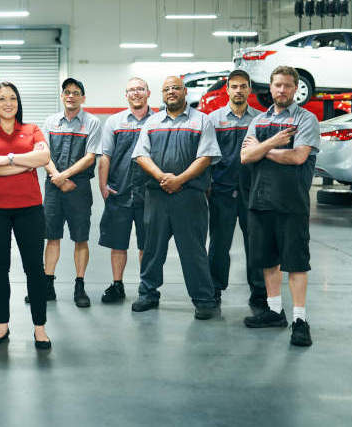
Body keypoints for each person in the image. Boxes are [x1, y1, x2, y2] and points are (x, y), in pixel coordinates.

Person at [130, 76, 222, 320]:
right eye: (167, 89)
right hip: (157, 196)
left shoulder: (201, 120)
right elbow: (141, 155)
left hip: (190, 197)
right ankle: (148, 294)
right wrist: (162, 177)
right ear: (162, 94)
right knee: (152, 249)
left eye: (176, 88)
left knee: (193, 250)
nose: (171, 92)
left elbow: (206, 157)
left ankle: (204, 299)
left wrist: (179, 180)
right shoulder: (152, 122)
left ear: (185, 92)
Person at [240, 66, 319, 347]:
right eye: (277, 85)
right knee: (268, 260)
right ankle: (275, 312)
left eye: (287, 85)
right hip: (261, 201)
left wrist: (262, 149)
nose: (282, 90)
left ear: (296, 88)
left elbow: (298, 157)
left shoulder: (306, 119)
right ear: (270, 88)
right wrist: (274, 143)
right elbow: (245, 157)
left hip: (292, 203)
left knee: (296, 263)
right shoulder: (259, 120)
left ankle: (299, 320)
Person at [0, 82, 52, 349]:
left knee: (35, 268)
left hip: (29, 208)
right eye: (2, 99)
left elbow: (44, 158)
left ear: (18, 103)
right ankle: (2, 326)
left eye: (13, 98)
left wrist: (6, 159)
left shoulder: (32, 129)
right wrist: (26, 162)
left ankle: (39, 328)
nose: (8, 103)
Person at [36, 77, 102, 308]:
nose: (71, 96)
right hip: (54, 187)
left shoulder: (92, 123)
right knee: (51, 236)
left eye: (76, 92)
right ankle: (48, 285)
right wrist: (57, 177)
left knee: (80, 238)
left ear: (83, 98)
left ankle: (79, 286)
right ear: (62, 96)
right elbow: (43, 154)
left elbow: (90, 157)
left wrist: (64, 176)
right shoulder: (50, 122)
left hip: (79, 188)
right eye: (67, 92)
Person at [206, 69, 267, 312]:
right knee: (219, 243)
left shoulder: (260, 120)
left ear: (249, 89)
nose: (239, 91)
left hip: (253, 191)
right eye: (234, 86)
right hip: (222, 191)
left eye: (243, 86)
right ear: (227, 89)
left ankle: (259, 292)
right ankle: (214, 288)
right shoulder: (213, 120)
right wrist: (207, 185)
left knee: (256, 242)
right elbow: (207, 156)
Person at [97, 77, 152, 304]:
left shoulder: (158, 120)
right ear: (126, 95)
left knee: (146, 244)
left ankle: (146, 288)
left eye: (140, 89)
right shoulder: (114, 121)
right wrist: (103, 186)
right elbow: (105, 156)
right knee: (117, 243)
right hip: (119, 191)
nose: (136, 93)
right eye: (131, 90)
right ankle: (117, 285)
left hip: (149, 193)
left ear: (148, 93)